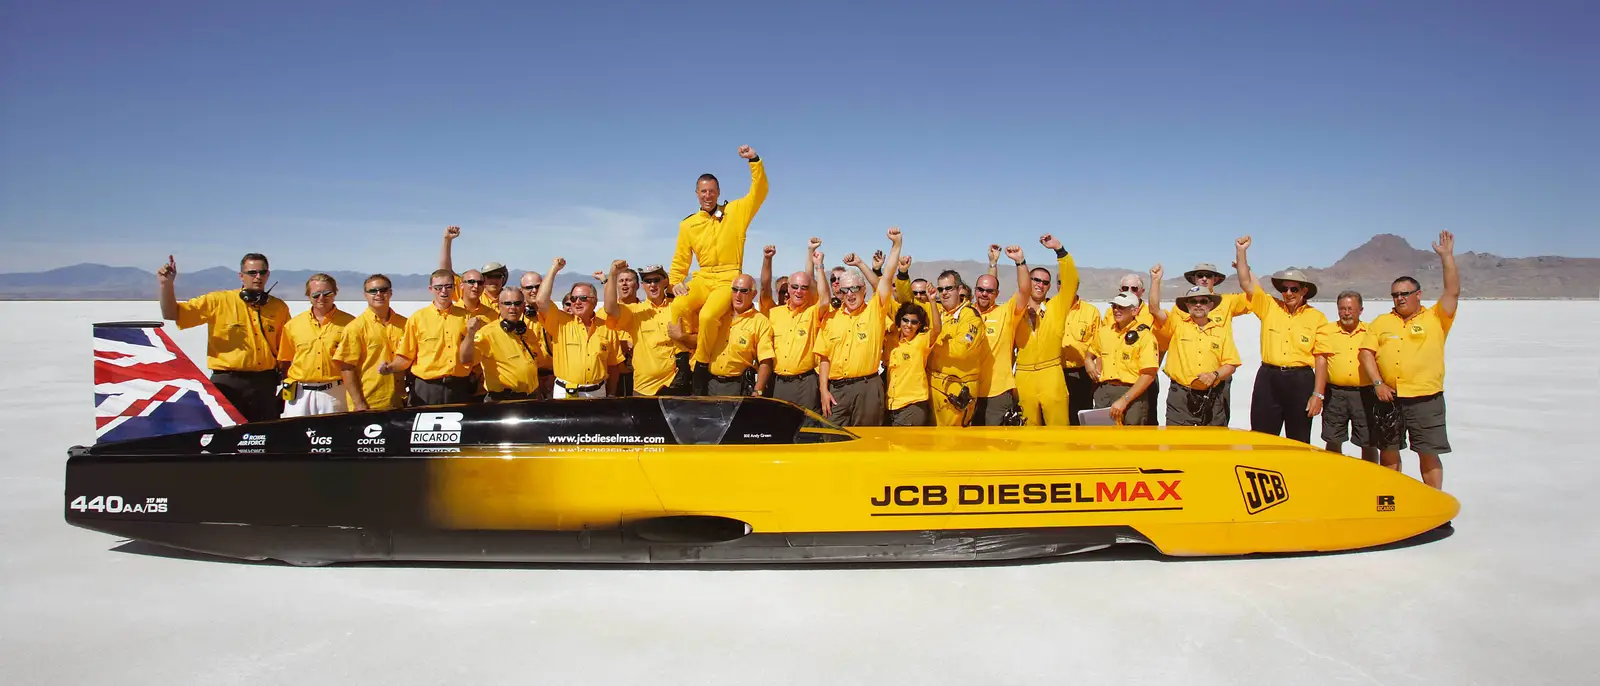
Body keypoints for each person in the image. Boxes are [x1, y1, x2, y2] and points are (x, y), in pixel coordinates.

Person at [1359, 231, 1460, 489]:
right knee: (1389, 452)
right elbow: (1366, 354)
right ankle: (1395, 500)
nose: (1400, 298)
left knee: (1427, 452)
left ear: (1418, 294)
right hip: (1389, 398)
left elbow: (1453, 291)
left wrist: (1447, 258)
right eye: (1395, 294)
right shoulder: (1381, 322)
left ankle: (1433, 502)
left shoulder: (1436, 318)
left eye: (1405, 293)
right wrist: (1378, 383)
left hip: (1426, 398)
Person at [668, 145, 768, 391]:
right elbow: (680, 259)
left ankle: (700, 365)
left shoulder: (735, 212)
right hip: (703, 277)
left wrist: (753, 160)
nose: (707, 195)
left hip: (728, 277)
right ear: (696, 193)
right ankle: (682, 363)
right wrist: (675, 282)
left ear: (718, 192)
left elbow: (759, 191)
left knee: (708, 316)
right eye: (703, 191)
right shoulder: (688, 224)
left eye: (712, 191)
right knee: (678, 305)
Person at [157, 252, 291, 422]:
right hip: (227, 383)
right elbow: (171, 313)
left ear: (268, 275)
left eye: (262, 273)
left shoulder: (279, 308)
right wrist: (166, 285)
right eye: (252, 273)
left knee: (264, 435)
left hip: (264, 384)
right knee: (226, 434)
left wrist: (288, 381)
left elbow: (287, 348)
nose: (257, 277)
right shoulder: (218, 302)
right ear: (241, 276)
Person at [1234, 236, 1329, 442]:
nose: (1288, 293)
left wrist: (1318, 395)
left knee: (1299, 439)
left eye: (1294, 289)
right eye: (1284, 289)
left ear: (1304, 291)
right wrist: (1241, 251)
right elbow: (1246, 282)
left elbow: (1321, 359)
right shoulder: (1269, 306)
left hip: (1301, 381)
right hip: (1269, 379)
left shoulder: (1317, 318)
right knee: (1261, 437)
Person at [817, 227, 903, 426]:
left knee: (868, 442)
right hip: (837, 390)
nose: (850, 294)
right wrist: (823, 390)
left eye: (855, 288)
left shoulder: (875, 310)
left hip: (868, 388)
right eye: (846, 289)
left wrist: (896, 245)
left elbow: (887, 277)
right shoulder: (831, 318)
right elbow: (824, 358)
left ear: (864, 290)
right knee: (833, 441)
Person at [1149, 274, 1241, 427]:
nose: (1198, 305)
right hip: (1181, 398)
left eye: (1203, 301)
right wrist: (1155, 281)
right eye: (1193, 301)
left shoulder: (1221, 332)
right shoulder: (1176, 325)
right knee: (1178, 445)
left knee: (1213, 445)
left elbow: (1231, 364)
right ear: (1187, 306)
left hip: (1213, 397)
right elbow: (1154, 309)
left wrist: (1214, 375)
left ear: (1211, 305)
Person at [1012, 234, 1080, 426]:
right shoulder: (1015, 310)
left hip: (1052, 374)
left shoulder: (1057, 307)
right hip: (1024, 376)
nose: (1040, 285)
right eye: (1035, 280)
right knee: (1027, 431)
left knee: (1058, 429)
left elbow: (1071, 282)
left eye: (1045, 282)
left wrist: (1059, 250)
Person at [539, 258, 625, 398]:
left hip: (597, 392)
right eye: (573, 299)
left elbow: (613, 365)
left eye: (583, 298)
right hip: (565, 393)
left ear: (595, 301)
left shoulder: (607, 328)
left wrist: (611, 393)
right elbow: (541, 301)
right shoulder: (560, 322)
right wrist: (554, 269)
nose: (577, 302)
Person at [389, 269, 477, 406]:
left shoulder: (466, 317)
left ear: (454, 288)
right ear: (431, 289)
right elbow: (406, 356)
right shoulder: (417, 318)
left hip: (459, 387)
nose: (444, 291)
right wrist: (390, 367)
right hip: (426, 388)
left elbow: (473, 355)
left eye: (448, 286)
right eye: (438, 287)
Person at [1312, 291, 1379, 462]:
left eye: (1350, 308)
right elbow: (1321, 361)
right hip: (1335, 394)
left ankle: (1370, 479)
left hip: (1365, 394)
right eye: (1342, 309)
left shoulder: (1371, 331)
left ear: (1360, 310)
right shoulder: (1327, 331)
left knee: (1369, 440)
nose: (1346, 313)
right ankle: (1335, 477)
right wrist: (1318, 394)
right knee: (1333, 438)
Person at [765, 241, 832, 411]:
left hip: (806, 383)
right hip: (779, 382)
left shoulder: (811, 313)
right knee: (780, 431)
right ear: (788, 288)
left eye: (804, 288)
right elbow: (764, 289)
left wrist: (820, 267)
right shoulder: (775, 313)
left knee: (807, 429)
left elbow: (825, 299)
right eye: (794, 287)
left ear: (809, 291)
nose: (799, 291)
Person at [276, 274, 355, 416]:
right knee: (296, 435)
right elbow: (285, 360)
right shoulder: (293, 325)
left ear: (335, 293)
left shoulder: (351, 323)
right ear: (308, 295)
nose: (321, 298)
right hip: (300, 394)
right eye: (316, 294)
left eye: (327, 293)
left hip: (335, 393)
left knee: (335, 434)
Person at [609, 264, 691, 397]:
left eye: (656, 280)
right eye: (648, 281)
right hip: (644, 389)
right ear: (642, 285)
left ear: (665, 281)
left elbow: (698, 338)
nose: (652, 284)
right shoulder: (634, 311)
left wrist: (682, 337)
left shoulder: (678, 306)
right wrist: (612, 276)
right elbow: (610, 309)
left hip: (676, 385)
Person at [972, 245, 1031, 425]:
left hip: (998, 393)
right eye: (980, 289)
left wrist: (1020, 261)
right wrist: (992, 263)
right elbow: (989, 282)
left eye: (990, 291)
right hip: (970, 390)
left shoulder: (1006, 313)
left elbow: (1024, 291)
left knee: (996, 446)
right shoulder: (966, 314)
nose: (984, 294)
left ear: (997, 294)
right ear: (974, 290)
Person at [334, 274, 409, 411]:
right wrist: (359, 403)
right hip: (370, 402)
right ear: (365, 295)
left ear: (390, 293)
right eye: (373, 291)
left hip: (400, 401)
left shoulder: (405, 324)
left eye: (383, 290)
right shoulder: (355, 328)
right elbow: (347, 368)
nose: (378, 294)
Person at [461, 285, 548, 401]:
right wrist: (470, 334)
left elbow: (537, 363)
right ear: (499, 306)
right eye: (507, 304)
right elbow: (466, 359)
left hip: (531, 397)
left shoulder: (527, 332)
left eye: (517, 303)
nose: (513, 308)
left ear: (523, 306)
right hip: (503, 400)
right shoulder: (487, 334)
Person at [1088, 291, 1158, 425]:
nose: (1116, 310)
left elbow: (1149, 374)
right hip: (1105, 392)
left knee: (1130, 442)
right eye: (1114, 306)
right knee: (1102, 441)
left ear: (1134, 311)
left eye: (1122, 307)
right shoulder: (1104, 332)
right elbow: (1091, 352)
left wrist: (1125, 399)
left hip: (1132, 395)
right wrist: (1088, 361)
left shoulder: (1145, 337)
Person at [927, 269, 985, 427]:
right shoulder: (938, 312)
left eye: (949, 288)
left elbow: (961, 349)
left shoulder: (970, 316)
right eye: (940, 289)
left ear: (959, 289)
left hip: (956, 388)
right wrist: (903, 274)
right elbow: (906, 300)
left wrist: (930, 342)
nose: (944, 293)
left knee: (952, 441)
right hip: (933, 386)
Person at [701, 274, 776, 396]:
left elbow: (766, 361)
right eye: (735, 290)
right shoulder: (717, 314)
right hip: (709, 383)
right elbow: (701, 340)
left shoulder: (760, 322)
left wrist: (758, 391)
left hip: (738, 387)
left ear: (754, 294)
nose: (738, 295)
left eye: (744, 291)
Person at [884, 301, 939, 425]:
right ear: (900, 320)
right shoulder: (892, 339)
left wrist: (933, 301)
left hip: (913, 406)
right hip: (891, 405)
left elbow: (937, 329)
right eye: (905, 320)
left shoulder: (921, 341)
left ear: (919, 325)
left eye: (914, 322)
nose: (909, 325)